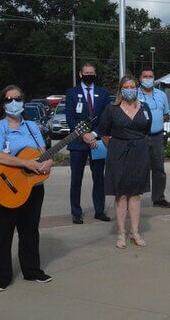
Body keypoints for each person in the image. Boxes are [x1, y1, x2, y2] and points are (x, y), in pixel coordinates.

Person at [0, 85, 53, 290]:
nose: (14, 103)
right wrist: (25, 163)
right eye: (9, 99)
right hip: (7, 185)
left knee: (30, 231)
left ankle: (32, 271)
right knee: (3, 232)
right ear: (4, 104)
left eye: (17, 98)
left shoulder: (32, 127)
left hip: (32, 187)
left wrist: (47, 162)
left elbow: (43, 152)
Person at [99, 76, 152, 249]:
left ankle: (134, 232)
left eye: (132, 86)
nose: (129, 89)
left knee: (136, 194)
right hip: (118, 153)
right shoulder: (112, 109)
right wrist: (115, 148)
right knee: (121, 194)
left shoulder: (144, 108)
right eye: (126, 86)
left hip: (140, 153)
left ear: (137, 88)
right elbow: (104, 133)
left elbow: (146, 130)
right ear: (121, 90)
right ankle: (121, 232)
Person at [65, 62, 111, 224]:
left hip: (96, 142)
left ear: (95, 74)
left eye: (91, 72)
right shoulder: (71, 93)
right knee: (76, 179)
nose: (89, 74)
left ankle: (99, 210)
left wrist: (93, 134)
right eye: (86, 72)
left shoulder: (103, 94)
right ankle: (76, 212)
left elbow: (106, 118)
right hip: (78, 142)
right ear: (80, 74)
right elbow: (70, 118)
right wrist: (84, 134)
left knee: (99, 178)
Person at [138, 68, 170, 208]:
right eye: (145, 76)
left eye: (150, 76)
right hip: (140, 137)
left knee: (159, 169)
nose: (148, 79)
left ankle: (158, 198)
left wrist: (157, 119)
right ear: (140, 79)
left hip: (158, 136)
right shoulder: (134, 94)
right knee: (138, 169)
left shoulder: (161, 95)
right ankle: (133, 199)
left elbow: (167, 114)